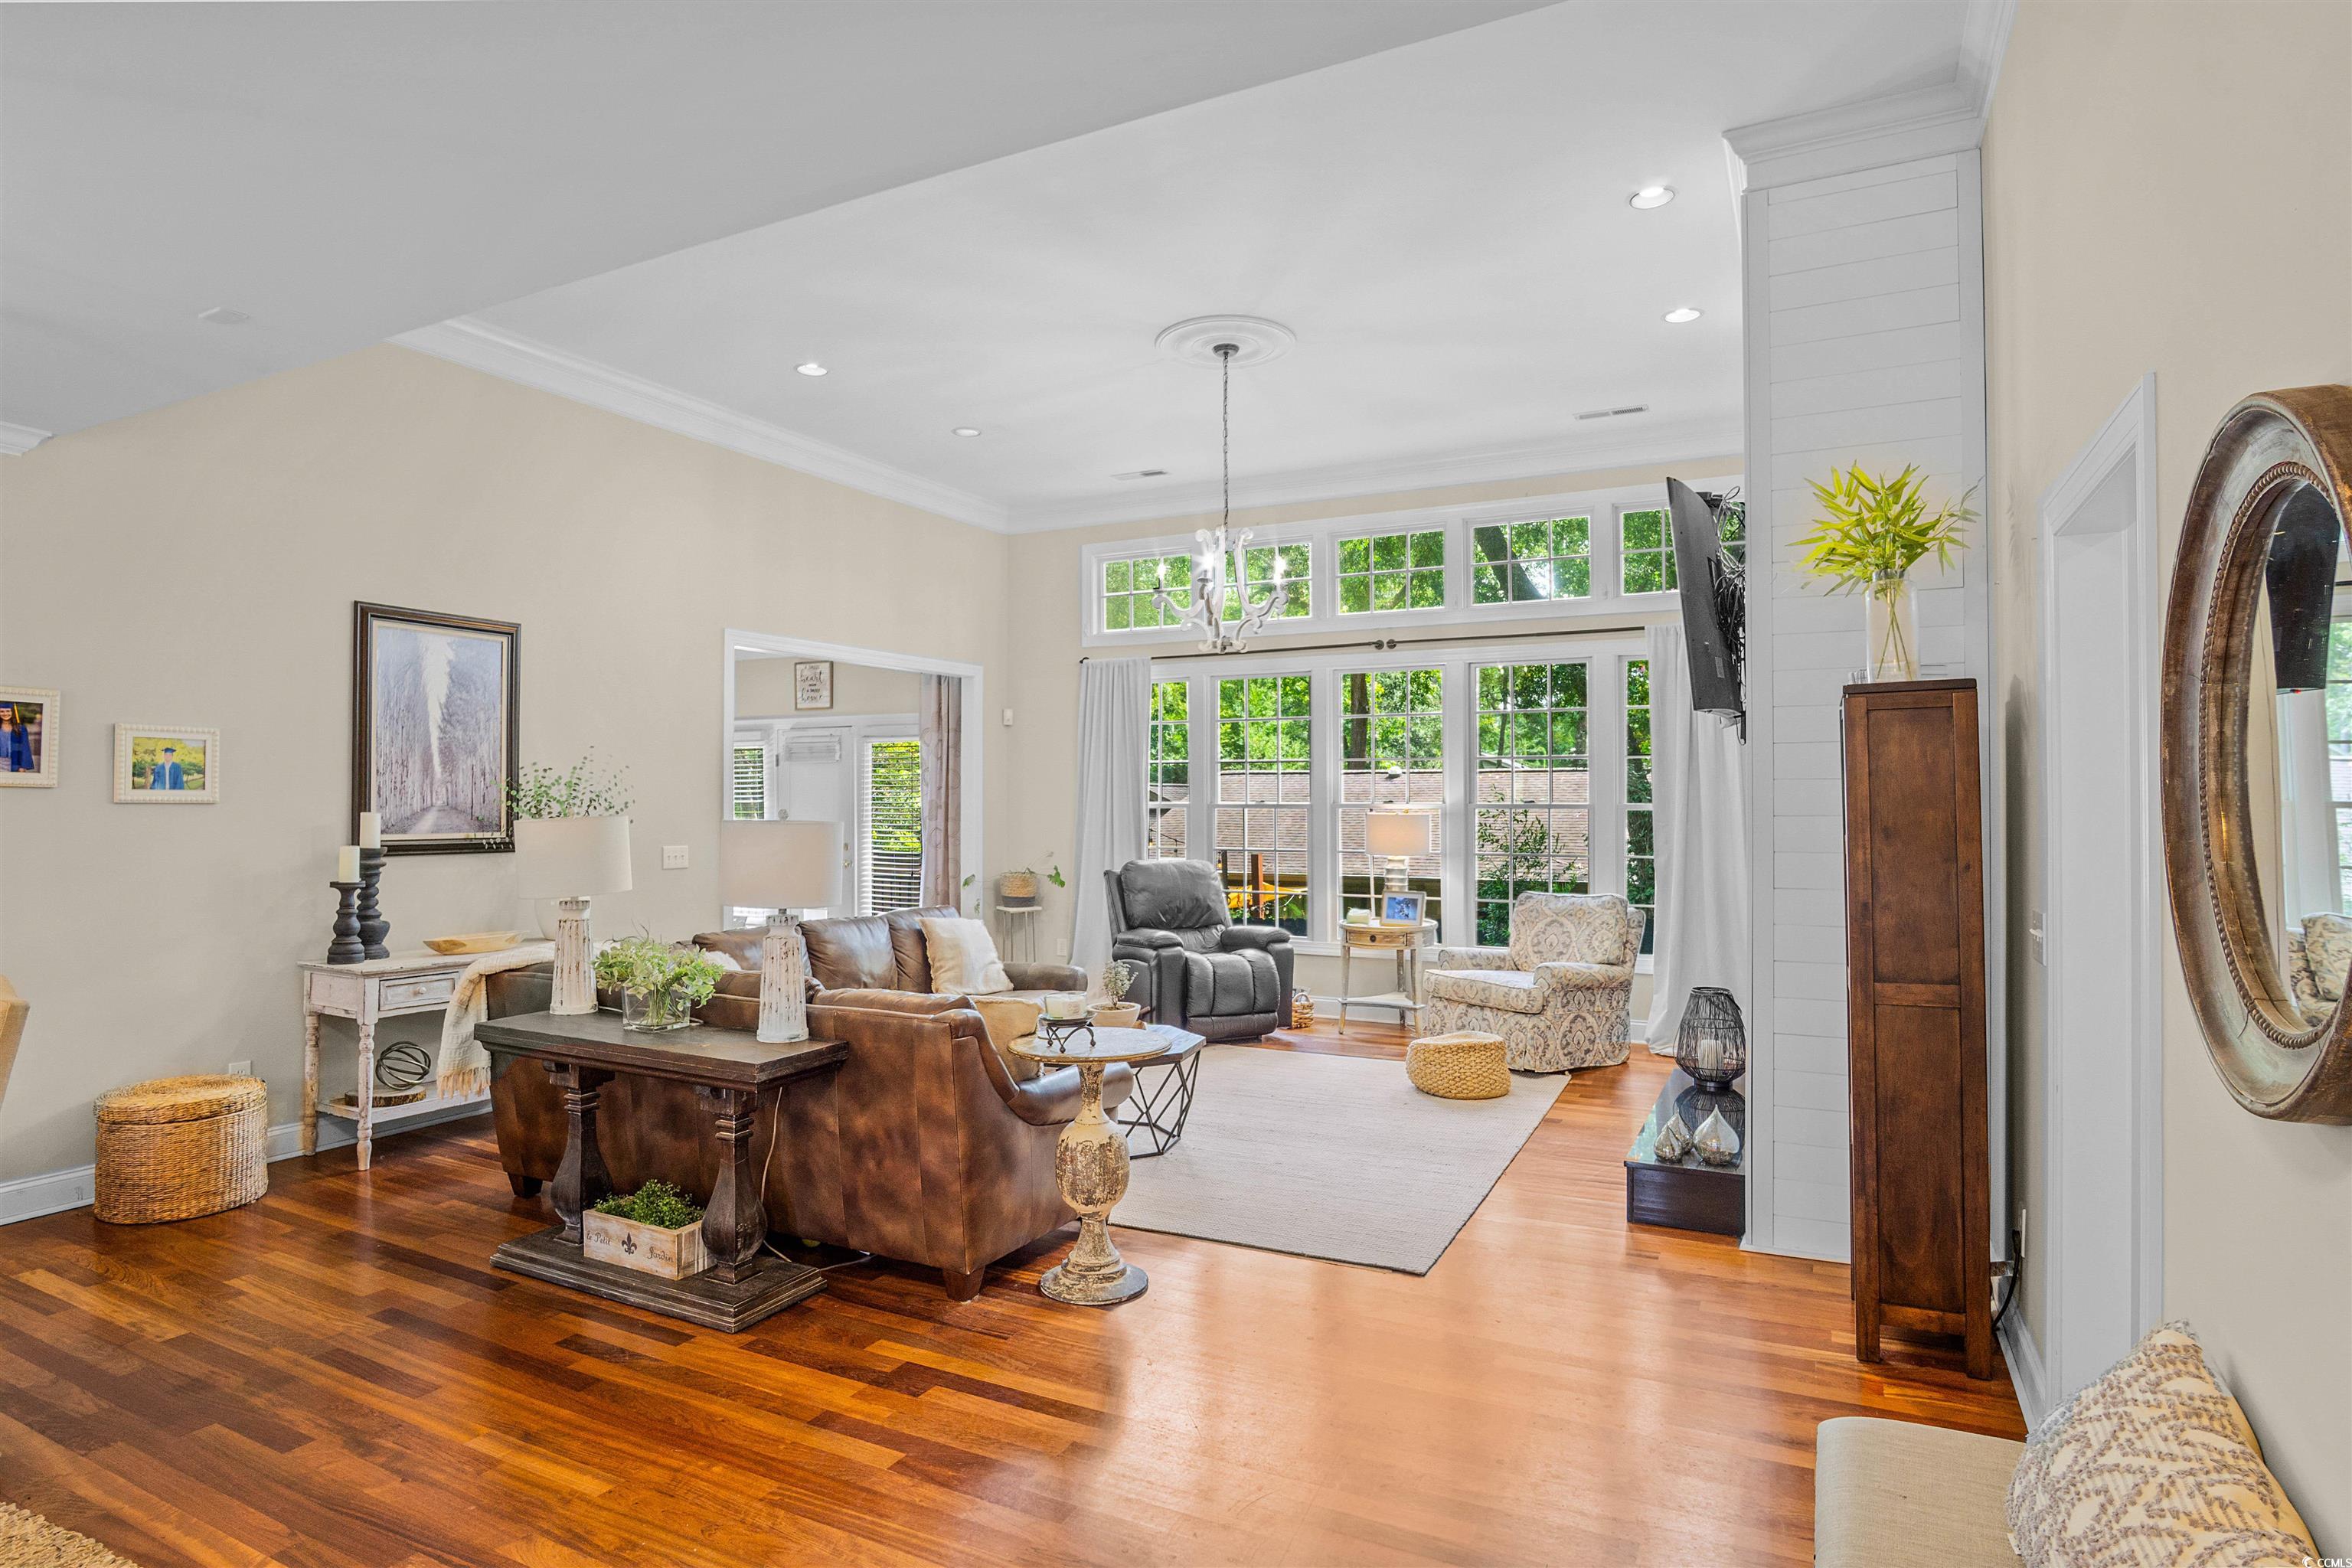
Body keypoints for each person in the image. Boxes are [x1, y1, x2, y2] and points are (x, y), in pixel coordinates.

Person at [0, 704, 34, 773]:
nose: (5, 714)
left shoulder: (21, 729)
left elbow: (25, 747)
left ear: (13, 712)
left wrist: (23, 766)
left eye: (8, 711)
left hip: (15, 763)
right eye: (2, 711)